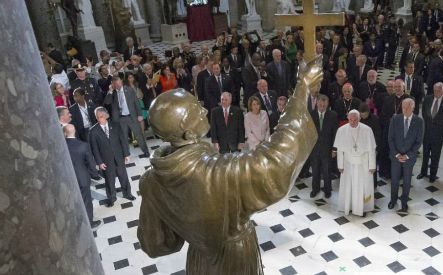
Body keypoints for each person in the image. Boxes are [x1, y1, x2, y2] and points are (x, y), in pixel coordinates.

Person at [136, 59, 319, 273]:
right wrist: (302, 89)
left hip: (200, 259)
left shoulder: (151, 180)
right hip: (234, 259)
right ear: (189, 133)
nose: (204, 110)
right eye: (196, 110)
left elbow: (156, 244)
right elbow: (276, 163)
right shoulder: (219, 172)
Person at [88, 107, 135, 207]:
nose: (99, 119)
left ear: (106, 116)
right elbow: (94, 149)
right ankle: (111, 198)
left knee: (123, 177)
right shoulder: (93, 131)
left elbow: (123, 141)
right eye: (98, 117)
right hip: (106, 160)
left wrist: (126, 154)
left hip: (119, 157)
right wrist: (99, 162)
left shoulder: (116, 125)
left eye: (101, 116)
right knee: (110, 180)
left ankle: (127, 193)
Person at [334, 110, 377, 217]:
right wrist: (340, 165)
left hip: (363, 164)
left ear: (359, 119)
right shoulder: (341, 130)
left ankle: (362, 208)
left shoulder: (367, 130)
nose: (352, 122)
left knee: (362, 187)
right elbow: (339, 150)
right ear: (348, 118)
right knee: (349, 187)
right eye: (351, 120)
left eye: (355, 120)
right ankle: (348, 207)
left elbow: (371, 149)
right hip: (348, 164)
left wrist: (372, 165)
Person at [388, 98, 423, 213]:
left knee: (407, 181)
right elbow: (390, 139)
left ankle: (404, 202)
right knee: (394, 180)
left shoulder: (419, 121)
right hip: (395, 157)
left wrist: (407, 155)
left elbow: (418, 142)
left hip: (409, 158)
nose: (405, 109)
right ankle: (393, 200)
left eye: (407, 107)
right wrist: (397, 154)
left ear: (413, 107)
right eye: (403, 107)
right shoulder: (395, 119)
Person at [63, 124, 101, 228]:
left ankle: (76, 221)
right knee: (87, 201)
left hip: (67, 179)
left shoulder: (61, 145)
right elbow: (90, 163)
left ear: (64, 133)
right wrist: (94, 174)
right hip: (82, 178)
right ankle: (89, 223)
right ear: (74, 131)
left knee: (73, 201)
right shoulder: (83, 145)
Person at [103, 76, 150, 158]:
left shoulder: (129, 90)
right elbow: (107, 102)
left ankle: (145, 151)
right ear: (113, 84)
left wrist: (140, 114)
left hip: (132, 116)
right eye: (115, 84)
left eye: (119, 83)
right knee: (123, 138)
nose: (118, 85)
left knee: (139, 135)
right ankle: (126, 155)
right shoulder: (113, 93)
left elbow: (136, 102)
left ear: (121, 81)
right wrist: (110, 91)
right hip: (120, 119)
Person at [418, 83, 443, 183]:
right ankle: (423, 172)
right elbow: (424, 112)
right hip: (427, 132)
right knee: (425, 154)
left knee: (435, 156)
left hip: (439, 134)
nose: (436, 92)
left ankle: (433, 175)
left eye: (438, 91)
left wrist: (441, 125)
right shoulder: (428, 99)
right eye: (435, 90)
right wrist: (429, 123)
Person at [309, 95, 338, 199]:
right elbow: (308, 133)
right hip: (314, 149)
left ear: (327, 104)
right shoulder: (311, 115)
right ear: (317, 103)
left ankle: (327, 190)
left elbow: (335, 133)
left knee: (327, 171)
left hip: (328, 149)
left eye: (324, 104)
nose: (322, 106)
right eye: (320, 104)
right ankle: (315, 189)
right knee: (315, 171)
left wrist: (335, 149)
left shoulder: (333, 115)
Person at [358, 103, 381, 187]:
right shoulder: (358, 118)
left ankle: (373, 184)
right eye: (361, 115)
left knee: (372, 166)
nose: (363, 117)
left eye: (365, 115)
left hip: (371, 147)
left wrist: (376, 149)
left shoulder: (374, 119)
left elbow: (378, 135)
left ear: (368, 112)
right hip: (360, 147)